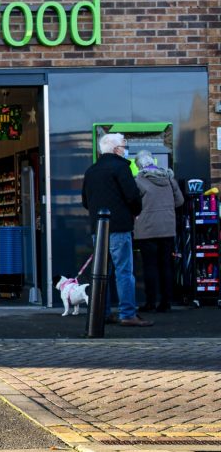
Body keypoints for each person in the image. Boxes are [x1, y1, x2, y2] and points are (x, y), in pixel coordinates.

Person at [81, 133, 152, 326]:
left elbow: (85, 201)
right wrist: (135, 212)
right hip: (119, 227)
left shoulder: (91, 171)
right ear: (115, 149)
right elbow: (132, 196)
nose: (125, 148)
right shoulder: (121, 167)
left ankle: (102, 313)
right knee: (124, 272)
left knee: (102, 273)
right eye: (123, 144)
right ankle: (127, 313)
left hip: (99, 229)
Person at [133, 150, 184, 313]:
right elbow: (180, 201)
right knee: (166, 265)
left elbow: (133, 203)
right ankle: (166, 302)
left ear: (139, 164)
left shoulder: (139, 180)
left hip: (147, 229)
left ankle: (150, 302)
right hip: (167, 228)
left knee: (150, 266)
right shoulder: (169, 178)